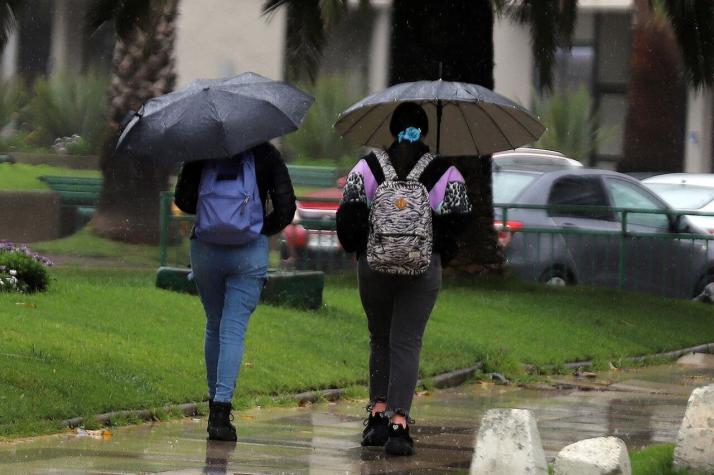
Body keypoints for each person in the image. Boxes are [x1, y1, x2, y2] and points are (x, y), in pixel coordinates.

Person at [336, 102, 472, 456]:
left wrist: (361, 247)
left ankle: (376, 417)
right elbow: (459, 218)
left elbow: (348, 212)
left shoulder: (367, 167)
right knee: (406, 342)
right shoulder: (445, 171)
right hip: (423, 269)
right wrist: (434, 246)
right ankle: (399, 424)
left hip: (373, 267)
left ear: (391, 129)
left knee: (379, 338)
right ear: (425, 133)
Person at [174, 142, 296, 441]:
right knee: (233, 330)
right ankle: (221, 411)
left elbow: (184, 200)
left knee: (214, 325)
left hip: (205, 251)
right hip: (248, 253)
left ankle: (213, 406)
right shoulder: (267, 154)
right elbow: (286, 208)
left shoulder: (201, 150)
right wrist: (253, 226)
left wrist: (216, 215)